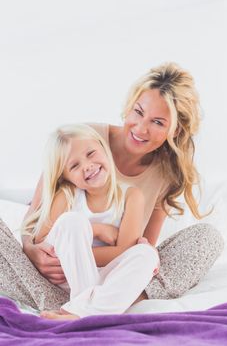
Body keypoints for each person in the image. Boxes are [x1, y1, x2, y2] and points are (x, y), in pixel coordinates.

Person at [0, 62, 224, 311]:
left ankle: (91, 304)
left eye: (158, 122)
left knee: (204, 239)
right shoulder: (83, 139)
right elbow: (36, 221)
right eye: (138, 112)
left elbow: (139, 248)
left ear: (176, 129)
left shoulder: (165, 175)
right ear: (128, 108)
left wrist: (81, 253)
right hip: (53, 276)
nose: (141, 128)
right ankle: (95, 305)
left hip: (109, 275)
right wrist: (33, 252)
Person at [20, 123, 159, 319]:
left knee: (146, 254)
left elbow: (125, 251)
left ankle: (79, 312)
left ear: (104, 148)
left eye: (91, 153)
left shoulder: (131, 196)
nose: (87, 166)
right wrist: (96, 230)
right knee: (72, 222)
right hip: (66, 276)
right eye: (74, 166)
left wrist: (77, 252)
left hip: (104, 279)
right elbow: (43, 243)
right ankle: (88, 308)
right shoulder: (67, 195)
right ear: (66, 177)